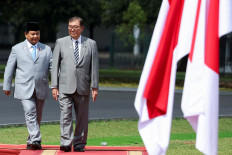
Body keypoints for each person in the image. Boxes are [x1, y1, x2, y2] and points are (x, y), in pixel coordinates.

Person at [51, 16, 99, 152]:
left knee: (82, 117)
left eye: (75, 27)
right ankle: (66, 142)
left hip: (83, 86)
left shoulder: (91, 44)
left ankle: (79, 143)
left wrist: (94, 87)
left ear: (82, 28)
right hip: (65, 86)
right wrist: (54, 86)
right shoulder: (60, 42)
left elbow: (94, 67)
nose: (72, 29)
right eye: (70, 27)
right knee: (65, 115)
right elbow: (55, 66)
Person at [3, 22, 52, 150]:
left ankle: (31, 141)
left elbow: (53, 68)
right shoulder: (17, 49)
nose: (35, 36)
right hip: (24, 87)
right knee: (30, 111)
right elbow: (9, 68)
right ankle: (36, 139)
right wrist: (7, 85)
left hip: (41, 87)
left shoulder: (46, 49)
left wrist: (58, 84)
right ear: (26, 34)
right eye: (32, 34)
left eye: (37, 34)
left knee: (38, 116)